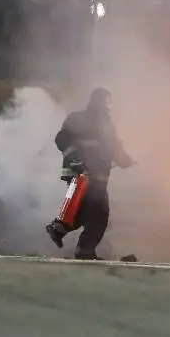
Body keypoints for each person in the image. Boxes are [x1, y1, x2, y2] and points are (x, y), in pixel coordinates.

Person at [45, 87, 134, 260]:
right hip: (81, 174)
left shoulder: (107, 125)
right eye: (104, 102)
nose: (106, 106)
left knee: (85, 212)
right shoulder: (78, 119)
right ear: (95, 102)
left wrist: (124, 160)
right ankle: (84, 250)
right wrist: (76, 161)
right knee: (100, 215)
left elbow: (114, 148)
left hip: (98, 176)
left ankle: (59, 229)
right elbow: (62, 140)